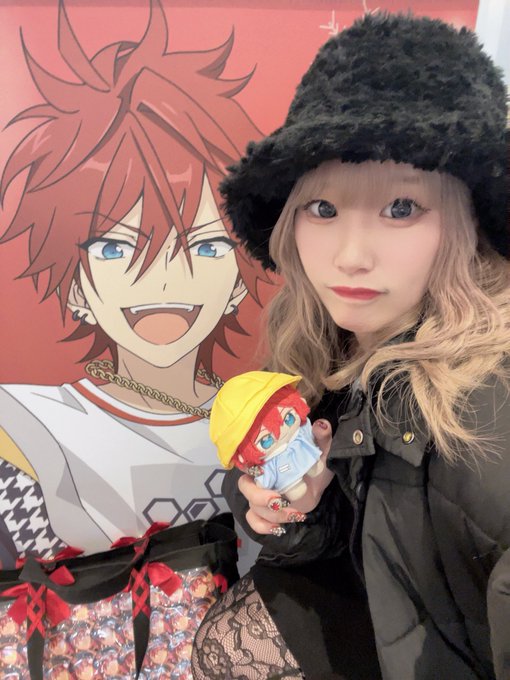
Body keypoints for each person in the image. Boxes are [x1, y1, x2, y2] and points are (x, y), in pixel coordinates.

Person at [191, 12, 509, 680]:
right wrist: (290, 509)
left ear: (466, 223)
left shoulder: (487, 423)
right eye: (324, 209)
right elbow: (355, 534)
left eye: (401, 208)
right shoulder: (328, 337)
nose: (351, 256)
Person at [0, 0, 267, 566]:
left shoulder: (270, 422)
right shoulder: (22, 429)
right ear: (75, 286)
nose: (163, 279)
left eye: (204, 246)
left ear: (240, 282)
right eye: (117, 248)